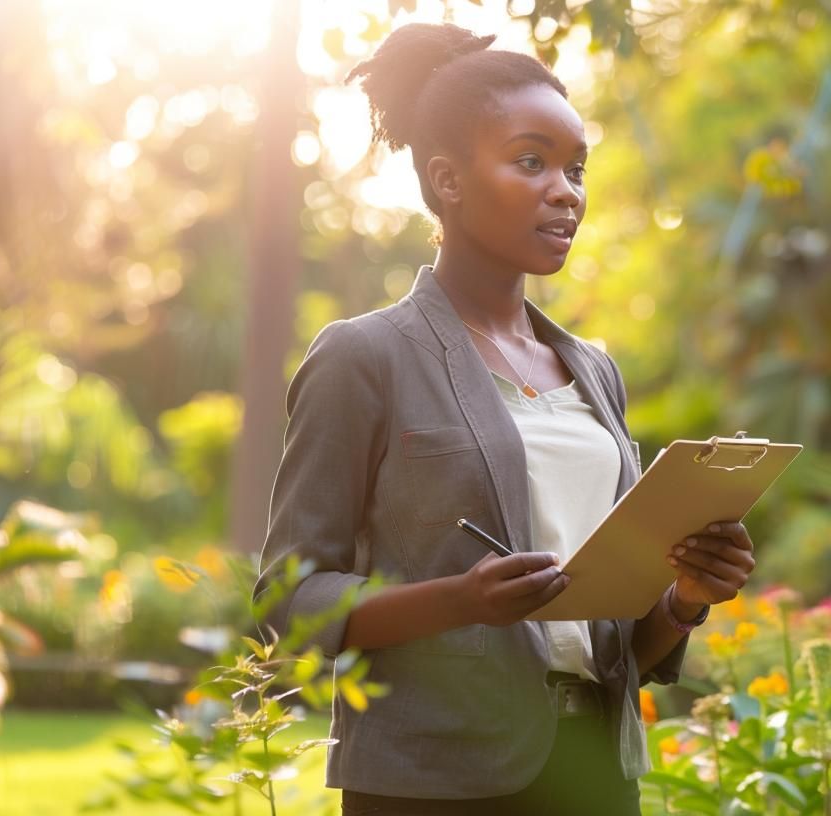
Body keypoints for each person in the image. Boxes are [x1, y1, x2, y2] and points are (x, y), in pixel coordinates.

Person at [253, 22, 757, 816]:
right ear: (448, 180)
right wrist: (459, 601)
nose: (567, 190)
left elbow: (614, 639)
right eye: (532, 161)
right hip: (432, 786)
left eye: (576, 168)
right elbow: (289, 601)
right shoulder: (365, 356)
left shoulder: (593, 370)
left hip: (595, 774)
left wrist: (686, 596)